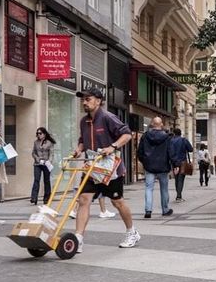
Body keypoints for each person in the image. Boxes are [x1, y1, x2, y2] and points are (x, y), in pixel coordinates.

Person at [73, 87, 137, 251]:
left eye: (88, 99)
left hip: (110, 168)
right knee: (83, 200)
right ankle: (78, 238)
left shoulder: (108, 117)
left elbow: (127, 134)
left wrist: (112, 146)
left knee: (117, 202)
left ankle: (132, 232)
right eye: (83, 99)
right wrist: (79, 149)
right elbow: (83, 140)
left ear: (98, 101)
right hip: (92, 168)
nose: (84, 102)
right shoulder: (84, 121)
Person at [138, 117, 175, 219]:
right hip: (163, 166)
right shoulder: (167, 137)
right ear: (161, 124)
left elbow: (140, 152)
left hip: (149, 166)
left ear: (151, 124)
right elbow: (170, 152)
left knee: (149, 188)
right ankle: (165, 209)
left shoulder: (145, 136)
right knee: (164, 189)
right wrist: (174, 164)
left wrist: (145, 161)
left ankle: (148, 210)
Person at [30, 127, 56, 205]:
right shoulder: (36, 142)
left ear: (44, 134)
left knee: (46, 181)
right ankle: (34, 198)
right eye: (37, 133)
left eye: (40, 133)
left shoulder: (49, 143)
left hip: (46, 164)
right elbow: (33, 152)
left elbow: (51, 153)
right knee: (36, 180)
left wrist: (49, 161)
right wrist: (37, 158)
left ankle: (47, 198)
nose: (39, 135)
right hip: (37, 164)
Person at [170, 128, 194, 203]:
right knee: (181, 179)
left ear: (174, 133)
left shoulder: (171, 141)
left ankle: (178, 194)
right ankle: (179, 196)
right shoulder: (184, 140)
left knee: (176, 178)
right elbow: (191, 149)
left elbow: (169, 151)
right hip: (182, 162)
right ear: (180, 133)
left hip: (174, 162)